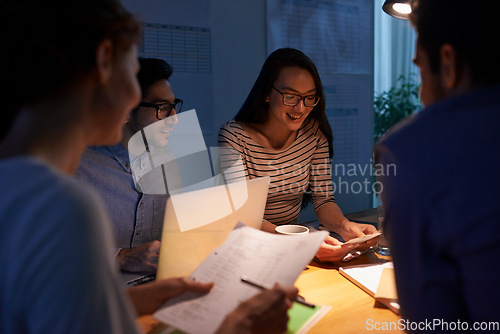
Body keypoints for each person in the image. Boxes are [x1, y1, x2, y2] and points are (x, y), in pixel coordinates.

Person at [0, 0, 297, 333]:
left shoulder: (17, 183)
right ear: (104, 62)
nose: (172, 118)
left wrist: (136, 300)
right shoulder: (64, 205)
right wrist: (238, 328)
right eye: (130, 69)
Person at [375, 0, 500, 329]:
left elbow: (429, 323)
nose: (421, 92)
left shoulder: (410, 151)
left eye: (420, 69)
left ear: (447, 63)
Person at [218, 48, 378, 262]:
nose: (301, 107)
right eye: (290, 96)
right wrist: (302, 242)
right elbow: (243, 218)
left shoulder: (314, 134)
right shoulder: (234, 137)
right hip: (245, 252)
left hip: (289, 253)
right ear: (266, 92)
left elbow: (323, 201)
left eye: (309, 97)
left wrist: (345, 226)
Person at [76, 57, 181, 273]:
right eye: (162, 107)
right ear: (127, 109)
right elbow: (58, 247)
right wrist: (120, 257)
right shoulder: (80, 166)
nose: (174, 118)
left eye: (173, 106)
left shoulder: (167, 162)